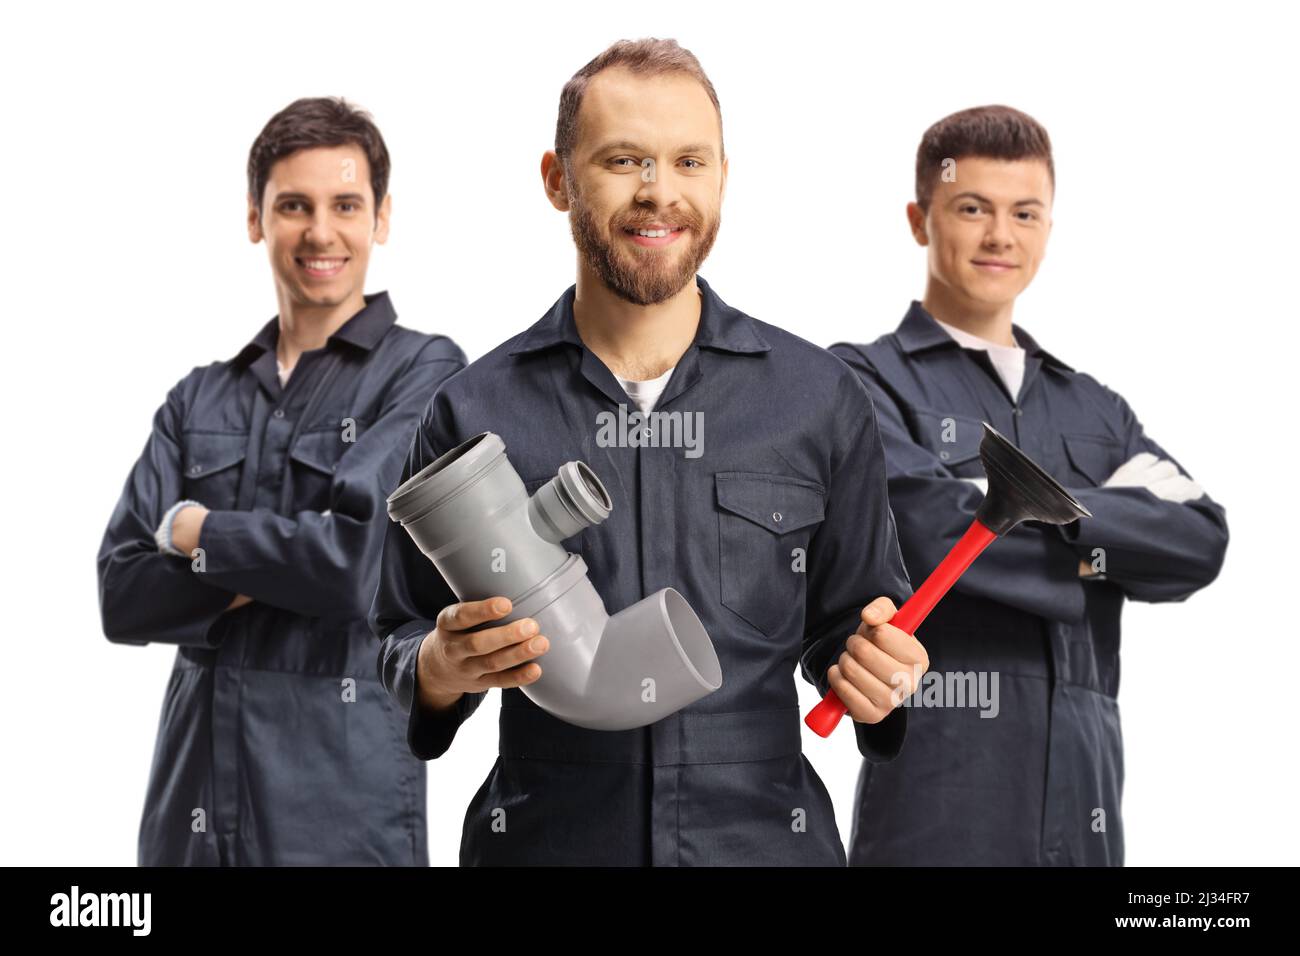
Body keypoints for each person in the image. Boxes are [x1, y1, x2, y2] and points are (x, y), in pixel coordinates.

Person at [370, 38, 927, 866]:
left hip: (762, 845)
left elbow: (855, 619)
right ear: (558, 179)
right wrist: (438, 668)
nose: (659, 193)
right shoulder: (474, 411)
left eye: (688, 161)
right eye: (624, 160)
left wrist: (880, 672)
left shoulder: (818, 399)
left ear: (723, 177)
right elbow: (398, 630)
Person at [830, 105, 1229, 866]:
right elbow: (929, 532)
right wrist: (1110, 541)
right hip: (937, 797)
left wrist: (1041, 519)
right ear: (920, 218)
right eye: (972, 208)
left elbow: (1200, 540)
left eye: (1025, 213)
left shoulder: (1096, 407)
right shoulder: (859, 380)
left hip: (1086, 801)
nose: (999, 236)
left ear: (1048, 228)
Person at [97, 97, 466, 865]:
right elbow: (122, 595)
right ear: (256, 218)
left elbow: (352, 570)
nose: (320, 232)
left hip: (338, 817)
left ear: (382, 218)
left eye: (345, 205)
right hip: (190, 810)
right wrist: (285, 556)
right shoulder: (198, 397)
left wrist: (196, 534)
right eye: (293, 206)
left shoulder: (423, 375)